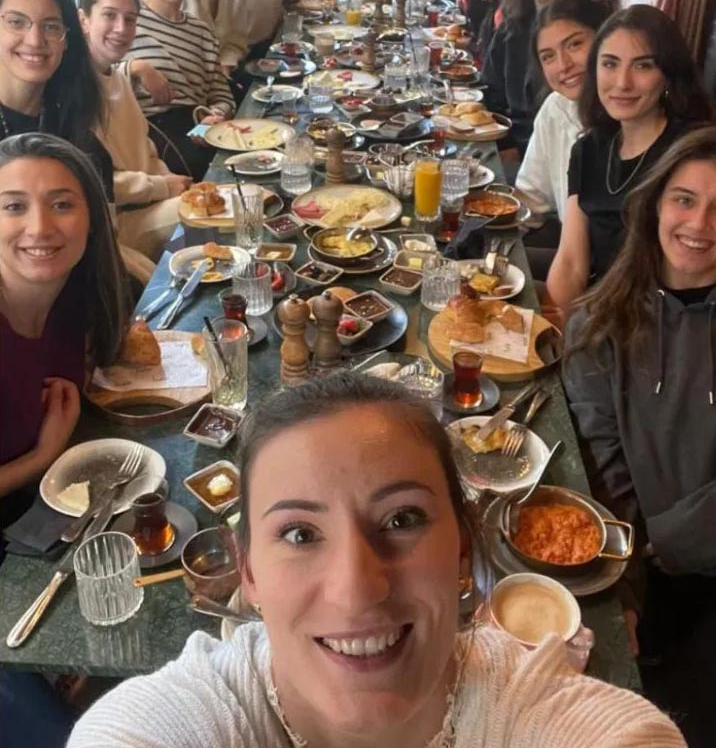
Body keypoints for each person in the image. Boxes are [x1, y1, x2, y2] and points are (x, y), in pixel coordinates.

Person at [67, 372, 685, 748]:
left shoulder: (545, 719)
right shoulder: (181, 721)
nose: (357, 589)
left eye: (402, 520)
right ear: (248, 572)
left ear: (462, 549)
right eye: (300, 533)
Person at [563, 125, 716, 748]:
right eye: (685, 199)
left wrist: (669, 540)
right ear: (654, 205)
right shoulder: (595, 322)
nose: (700, 224)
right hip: (636, 565)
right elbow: (603, 465)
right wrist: (624, 586)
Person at [546, 5, 714, 320]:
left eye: (642, 66)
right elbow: (570, 262)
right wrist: (568, 329)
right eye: (610, 64)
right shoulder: (590, 148)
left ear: (668, 74)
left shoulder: (690, 154)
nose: (623, 83)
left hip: (662, 321)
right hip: (596, 312)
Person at [0, 132, 129, 515]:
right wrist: (41, 457)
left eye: (61, 205)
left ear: (92, 219)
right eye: (14, 207)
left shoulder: (82, 295)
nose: (40, 227)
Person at [78, 0, 190, 262]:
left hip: (153, 203)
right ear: (83, 20)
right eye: (109, 15)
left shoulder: (117, 78)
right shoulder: (75, 91)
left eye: (129, 20)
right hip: (119, 223)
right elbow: (97, 180)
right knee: (226, 209)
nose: (121, 28)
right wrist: (163, 186)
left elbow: (144, 150)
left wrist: (170, 181)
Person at [122, 0, 234, 180]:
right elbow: (99, 76)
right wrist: (136, 68)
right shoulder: (128, 22)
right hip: (147, 136)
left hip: (197, 130)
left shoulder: (201, 32)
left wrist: (213, 116)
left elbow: (222, 96)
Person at [0, 0, 114, 200]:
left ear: (67, 41)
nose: (35, 40)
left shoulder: (80, 140)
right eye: (16, 22)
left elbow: (102, 220)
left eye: (51, 26)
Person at [481, 0, 595, 156]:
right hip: (507, 140)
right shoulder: (511, 27)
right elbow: (489, 90)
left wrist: (517, 152)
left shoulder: (586, 34)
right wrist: (503, 143)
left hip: (557, 150)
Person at [517, 0, 613, 225]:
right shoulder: (555, 109)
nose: (563, 65)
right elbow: (531, 200)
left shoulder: (631, 121)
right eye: (548, 56)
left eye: (574, 44)